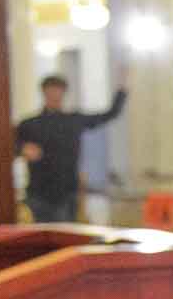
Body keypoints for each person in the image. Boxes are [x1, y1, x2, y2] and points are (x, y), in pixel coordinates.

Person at [15, 74, 128, 224]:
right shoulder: (29, 124)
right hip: (38, 191)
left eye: (58, 91)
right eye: (51, 91)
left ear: (63, 93)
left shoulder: (73, 120)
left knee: (65, 234)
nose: (55, 95)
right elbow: (7, 146)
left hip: (67, 190)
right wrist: (22, 149)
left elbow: (110, 114)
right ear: (44, 92)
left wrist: (122, 88)